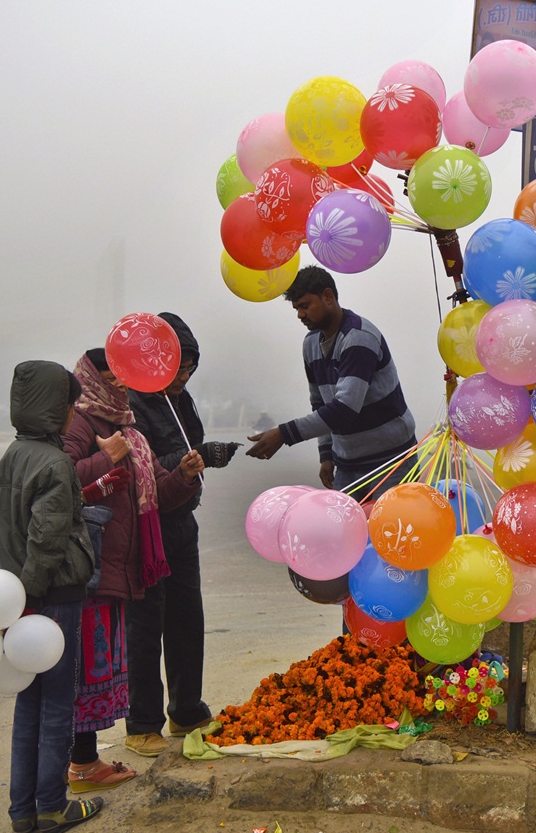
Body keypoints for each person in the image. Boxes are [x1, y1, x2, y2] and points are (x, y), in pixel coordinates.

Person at [61, 350, 204, 787]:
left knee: (157, 637)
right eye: (111, 378)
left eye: (122, 378)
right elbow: (61, 478)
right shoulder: (80, 422)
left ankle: (90, 758)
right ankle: (103, 749)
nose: (121, 386)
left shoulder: (126, 421)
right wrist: (107, 457)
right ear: (90, 379)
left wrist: (181, 473)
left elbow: (154, 488)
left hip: (137, 551)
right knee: (101, 660)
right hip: (97, 557)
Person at [0, 360, 102, 833]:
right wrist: (35, 597)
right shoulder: (54, 463)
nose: (74, 412)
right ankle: (53, 808)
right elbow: (47, 537)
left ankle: (22, 811)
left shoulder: (10, 457)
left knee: (27, 703)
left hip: (18, 598)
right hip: (51, 599)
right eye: (68, 404)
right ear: (51, 409)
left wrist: (19, 600)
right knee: (57, 703)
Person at [125, 314, 240, 757]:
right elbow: (146, 462)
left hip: (181, 521)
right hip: (146, 527)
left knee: (187, 619)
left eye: (190, 368)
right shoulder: (134, 401)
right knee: (146, 625)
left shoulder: (182, 399)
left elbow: (191, 444)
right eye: (177, 369)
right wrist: (194, 458)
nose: (184, 377)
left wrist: (206, 456)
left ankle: (186, 709)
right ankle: (142, 723)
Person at [246, 265, 416, 502]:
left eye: (305, 306)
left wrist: (283, 434)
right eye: (296, 309)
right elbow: (320, 402)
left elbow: (344, 409)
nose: (299, 315)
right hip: (347, 464)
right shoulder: (311, 344)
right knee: (348, 535)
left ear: (328, 297)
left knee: (392, 533)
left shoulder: (359, 337)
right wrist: (326, 455)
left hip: (391, 463)